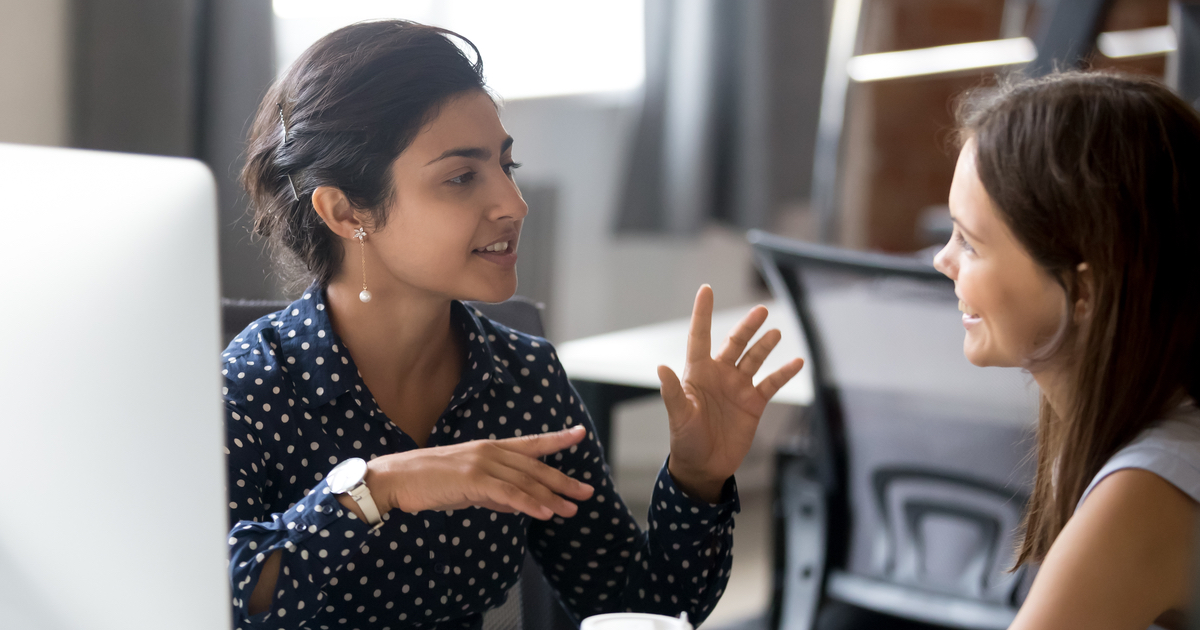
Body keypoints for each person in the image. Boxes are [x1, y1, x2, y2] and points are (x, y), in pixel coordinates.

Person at [223, 20, 803, 630]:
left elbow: (638, 606)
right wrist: (379, 488)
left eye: (507, 164)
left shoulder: (523, 379)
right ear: (345, 211)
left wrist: (698, 476)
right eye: (460, 177)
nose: (513, 204)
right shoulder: (253, 386)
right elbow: (220, 595)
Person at [933, 71, 1200, 630]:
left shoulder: (1145, 489)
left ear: (1082, 290)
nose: (943, 260)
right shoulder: (1142, 428)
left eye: (970, 242)